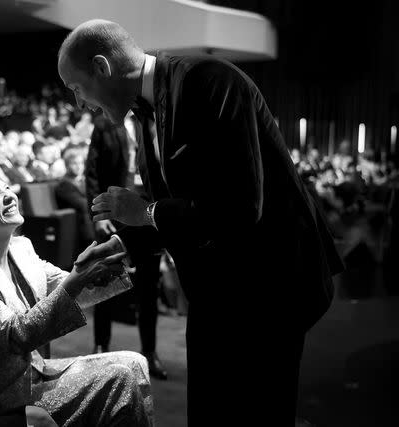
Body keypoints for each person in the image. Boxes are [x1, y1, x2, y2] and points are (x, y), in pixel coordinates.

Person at [59, 19, 344, 426]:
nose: (79, 104)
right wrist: (126, 245)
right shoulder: (142, 112)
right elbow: (179, 205)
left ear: (102, 67)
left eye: (76, 88)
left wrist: (146, 213)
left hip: (268, 288)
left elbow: (242, 207)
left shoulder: (209, 80)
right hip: (216, 290)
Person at [0, 170, 153, 426]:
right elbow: (18, 335)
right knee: (119, 377)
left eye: (7, 187)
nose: (8, 195)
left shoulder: (22, 247)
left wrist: (107, 263)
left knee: (136, 362)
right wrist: (77, 280)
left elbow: (65, 283)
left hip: (36, 372)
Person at [85, 112, 166, 379]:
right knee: (105, 281)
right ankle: (100, 345)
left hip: (148, 212)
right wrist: (99, 216)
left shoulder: (156, 121)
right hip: (114, 210)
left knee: (148, 287)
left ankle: (150, 352)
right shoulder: (106, 123)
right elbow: (92, 172)